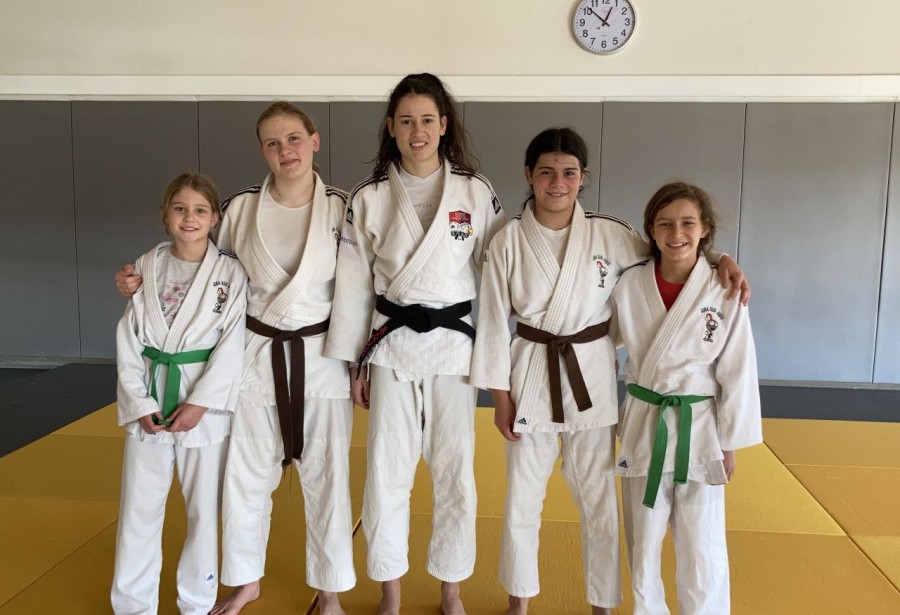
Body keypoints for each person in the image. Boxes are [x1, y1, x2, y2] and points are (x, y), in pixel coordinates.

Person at [469, 129, 750, 615]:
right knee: (521, 501)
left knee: (599, 502)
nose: (558, 182)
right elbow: (493, 321)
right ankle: (519, 601)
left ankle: (602, 602)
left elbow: (673, 254)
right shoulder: (508, 240)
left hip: (591, 378)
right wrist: (499, 396)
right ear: (528, 176)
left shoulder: (611, 233)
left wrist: (720, 257)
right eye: (546, 172)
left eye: (569, 172)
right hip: (530, 374)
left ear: (584, 178)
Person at [115, 102, 355, 615]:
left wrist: (360, 360)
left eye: (294, 138)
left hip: (323, 355)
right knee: (245, 478)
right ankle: (245, 581)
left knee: (327, 476)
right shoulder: (241, 206)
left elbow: (360, 288)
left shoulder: (342, 206)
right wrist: (137, 277)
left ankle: (329, 589)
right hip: (253, 355)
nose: (284, 150)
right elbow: (199, 266)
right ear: (262, 150)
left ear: (314, 141)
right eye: (272, 142)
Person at [324, 73, 507, 615]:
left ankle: (451, 591)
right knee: (386, 473)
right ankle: (391, 592)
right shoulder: (371, 196)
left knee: (455, 472)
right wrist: (355, 363)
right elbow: (354, 288)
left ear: (445, 126)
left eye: (427, 119)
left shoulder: (476, 191)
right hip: (391, 347)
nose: (417, 130)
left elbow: (497, 278)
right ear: (391, 128)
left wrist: (494, 363)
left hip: (454, 351)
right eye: (406, 120)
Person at [611, 182, 762, 615]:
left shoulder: (725, 289)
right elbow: (600, 338)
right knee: (642, 543)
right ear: (651, 231)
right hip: (645, 420)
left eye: (687, 223)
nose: (676, 232)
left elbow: (737, 368)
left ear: (705, 229)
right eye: (665, 224)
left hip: (701, 427)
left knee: (703, 544)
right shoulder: (630, 283)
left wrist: (729, 442)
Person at [111, 173, 248, 615]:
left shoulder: (230, 272)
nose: (190, 218)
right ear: (165, 215)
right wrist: (139, 402)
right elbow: (129, 339)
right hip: (151, 400)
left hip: (203, 407)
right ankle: (134, 605)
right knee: (137, 511)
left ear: (215, 218)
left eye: (200, 210)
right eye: (180, 208)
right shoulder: (146, 266)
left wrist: (201, 403)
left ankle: (197, 600)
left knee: (204, 513)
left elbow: (233, 343)